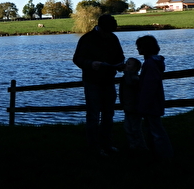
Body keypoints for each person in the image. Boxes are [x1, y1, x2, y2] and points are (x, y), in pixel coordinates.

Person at [73, 14, 124, 156]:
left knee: (109, 114)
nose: (108, 34)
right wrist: (91, 64)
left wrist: (120, 64)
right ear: (100, 27)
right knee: (93, 115)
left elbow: (120, 55)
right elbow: (77, 58)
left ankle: (107, 143)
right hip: (92, 81)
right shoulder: (87, 39)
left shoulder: (113, 38)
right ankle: (94, 146)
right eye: (106, 31)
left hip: (109, 80)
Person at [136, 35, 173, 159]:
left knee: (156, 130)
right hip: (154, 101)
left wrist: (143, 104)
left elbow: (149, 86)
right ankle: (157, 153)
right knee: (153, 128)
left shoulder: (150, 64)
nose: (137, 49)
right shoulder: (154, 63)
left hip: (151, 103)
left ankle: (164, 155)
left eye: (139, 47)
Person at [119, 57, 147, 151]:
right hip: (127, 107)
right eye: (126, 63)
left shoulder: (134, 78)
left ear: (135, 69)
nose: (125, 65)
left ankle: (141, 146)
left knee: (135, 128)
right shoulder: (125, 77)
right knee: (127, 127)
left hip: (134, 108)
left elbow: (130, 83)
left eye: (128, 64)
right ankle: (133, 145)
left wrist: (127, 73)